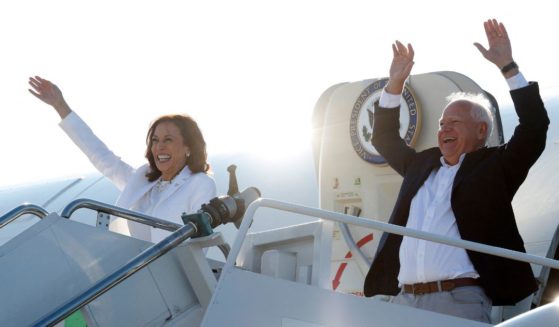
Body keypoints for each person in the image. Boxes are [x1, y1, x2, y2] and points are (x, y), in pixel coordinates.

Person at [363, 19, 549, 322]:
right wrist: (394, 84)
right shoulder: (420, 166)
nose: (444, 128)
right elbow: (383, 137)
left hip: (458, 301)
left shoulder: (495, 168)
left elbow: (534, 127)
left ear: (481, 131)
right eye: (441, 124)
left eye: (455, 122)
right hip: (403, 300)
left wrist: (508, 66)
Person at [28, 76, 217, 243]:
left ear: (188, 147)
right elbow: (101, 156)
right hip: (130, 268)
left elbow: (199, 243)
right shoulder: (143, 178)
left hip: (171, 274)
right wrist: (60, 105)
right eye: (155, 140)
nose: (159, 147)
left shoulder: (200, 184)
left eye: (168, 140)